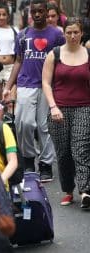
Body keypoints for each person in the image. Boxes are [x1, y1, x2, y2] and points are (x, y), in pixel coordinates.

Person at [2, 0, 65, 182]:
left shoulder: (57, 35)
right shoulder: (23, 35)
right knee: (24, 123)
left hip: (47, 87)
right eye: (34, 11)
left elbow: (60, 63)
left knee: (45, 127)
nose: (37, 15)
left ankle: (45, 164)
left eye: (40, 11)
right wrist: (8, 87)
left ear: (47, 12)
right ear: (30, 13)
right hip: (25, 85)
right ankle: (28, 159)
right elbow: (18, 62)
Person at [41, 18, 90, 208]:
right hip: (58, 109)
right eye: (69, 32)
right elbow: (45, 83)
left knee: (81, 149)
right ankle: (68, 190)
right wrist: (53, 106)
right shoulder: (55, 54)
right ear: (64, 33)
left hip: (84, 107)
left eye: (76, 32)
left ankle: (85, 190)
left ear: (81, 33)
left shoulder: (87, 54)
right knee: (63, 154)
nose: (72, 36)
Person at [0, 4, 19, 88]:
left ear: (8, 16)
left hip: (11, 67)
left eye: (4, 14)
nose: (1, 17)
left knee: (9, 95)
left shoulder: (14, 30)